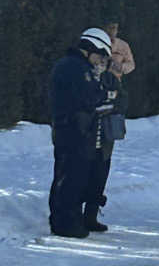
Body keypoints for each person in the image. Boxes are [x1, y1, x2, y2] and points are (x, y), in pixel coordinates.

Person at [48, 28, 113, 239]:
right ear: (91, 47)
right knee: (69, 178)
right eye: (100, 55)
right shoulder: (74, 67)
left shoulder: (77, 66)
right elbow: (89, 96)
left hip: (77, 130)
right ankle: (64, 223)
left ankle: (72, 220)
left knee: (76, 177)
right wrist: (102, 95)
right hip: (71, 130)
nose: (100, 60)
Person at [80, 20, 135, 233]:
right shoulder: (83, 73)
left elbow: (121, 99)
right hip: (86, 133)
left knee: (100, 172)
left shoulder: (113, 72)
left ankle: (91, 215)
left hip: (105, 134)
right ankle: (78, 214)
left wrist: (110, 101)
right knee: (82, 172)